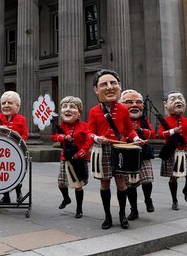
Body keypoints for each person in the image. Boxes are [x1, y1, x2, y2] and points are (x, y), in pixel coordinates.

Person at [87, 69, 143, 230]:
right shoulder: (94, 111)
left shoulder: (124, 109)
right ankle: (107, 216)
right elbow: (89, 133)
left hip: (120, 151)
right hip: (103, 150)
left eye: (113, 83)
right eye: (104, 84)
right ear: (96, 90)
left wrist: (136, 139)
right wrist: (97, 138)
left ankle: (122, 215)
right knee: (104, 184)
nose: (110, 87)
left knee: (121, 184)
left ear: (119, 86)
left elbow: (129, 130)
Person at [51, 96, 90, 218]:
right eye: (64, 107)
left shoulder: (84, 126)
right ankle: (66, 198)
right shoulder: (60, 125)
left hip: (79, 159)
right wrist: (63, 137)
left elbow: (88, 142)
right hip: (66, 158)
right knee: (61, 183)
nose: (67, 110)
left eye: (72, 107)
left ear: (79, 113)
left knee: (78, 185)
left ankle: (79, 209)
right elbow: (54, 136)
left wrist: (81, 153)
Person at [120, 89, 155, 220]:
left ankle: (148, 199)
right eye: (129, 102)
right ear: (121, 104)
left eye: (138, 102)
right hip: (127, 155)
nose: (134, 105)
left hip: (143, 154)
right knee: (131, 185)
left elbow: (152, 134)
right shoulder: (120, 119)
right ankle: (134, 210)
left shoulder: (144, 119)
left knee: (147, 180)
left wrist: (140, 130)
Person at [0, 91, 28, 204]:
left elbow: (25, 134)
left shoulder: (21, 119)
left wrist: (18, 140)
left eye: (10, 103)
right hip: (2, 151)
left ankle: (18, 194)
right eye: (3, 103)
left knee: (16, 173)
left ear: (17, 106)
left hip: (16, 150)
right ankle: (6, 197)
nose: (6, 105)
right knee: (4, 173)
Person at [158, 91, 187, 210]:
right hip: (172, 152)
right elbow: (160, 135)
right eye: (173, 99)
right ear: (166, 104)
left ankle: (186, 191)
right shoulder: (165, 120)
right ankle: (174, 200)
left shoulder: (186, 120)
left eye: (180, 98)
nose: (178, 101)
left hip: (185, 151)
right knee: (173, 177)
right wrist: (172, 131)